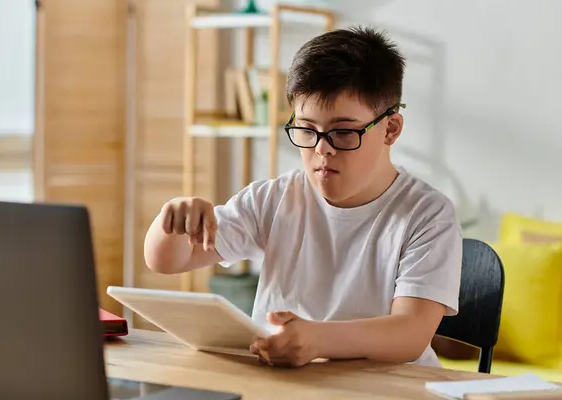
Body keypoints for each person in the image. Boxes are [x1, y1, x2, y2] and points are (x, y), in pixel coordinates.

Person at [144, 26, 462, 368]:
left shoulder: (427, 214)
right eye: (307, 130)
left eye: (342, 132)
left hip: (389, 389)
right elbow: (167, 261)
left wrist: (317, 339)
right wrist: (172, 221)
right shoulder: (275, 198)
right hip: (290, 384)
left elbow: (409, 334)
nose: (322, 149)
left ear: (390, 128)